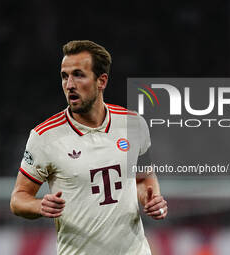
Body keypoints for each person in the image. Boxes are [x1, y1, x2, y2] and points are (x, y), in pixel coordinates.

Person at [10, 40, 168, 255]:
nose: (69, 84)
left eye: (78, 75)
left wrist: (151, 199)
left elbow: (143, 177)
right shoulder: (44, 137)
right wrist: (39, 206)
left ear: (101, 81)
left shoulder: (133, 124)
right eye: (65, 76)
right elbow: (18, 199)